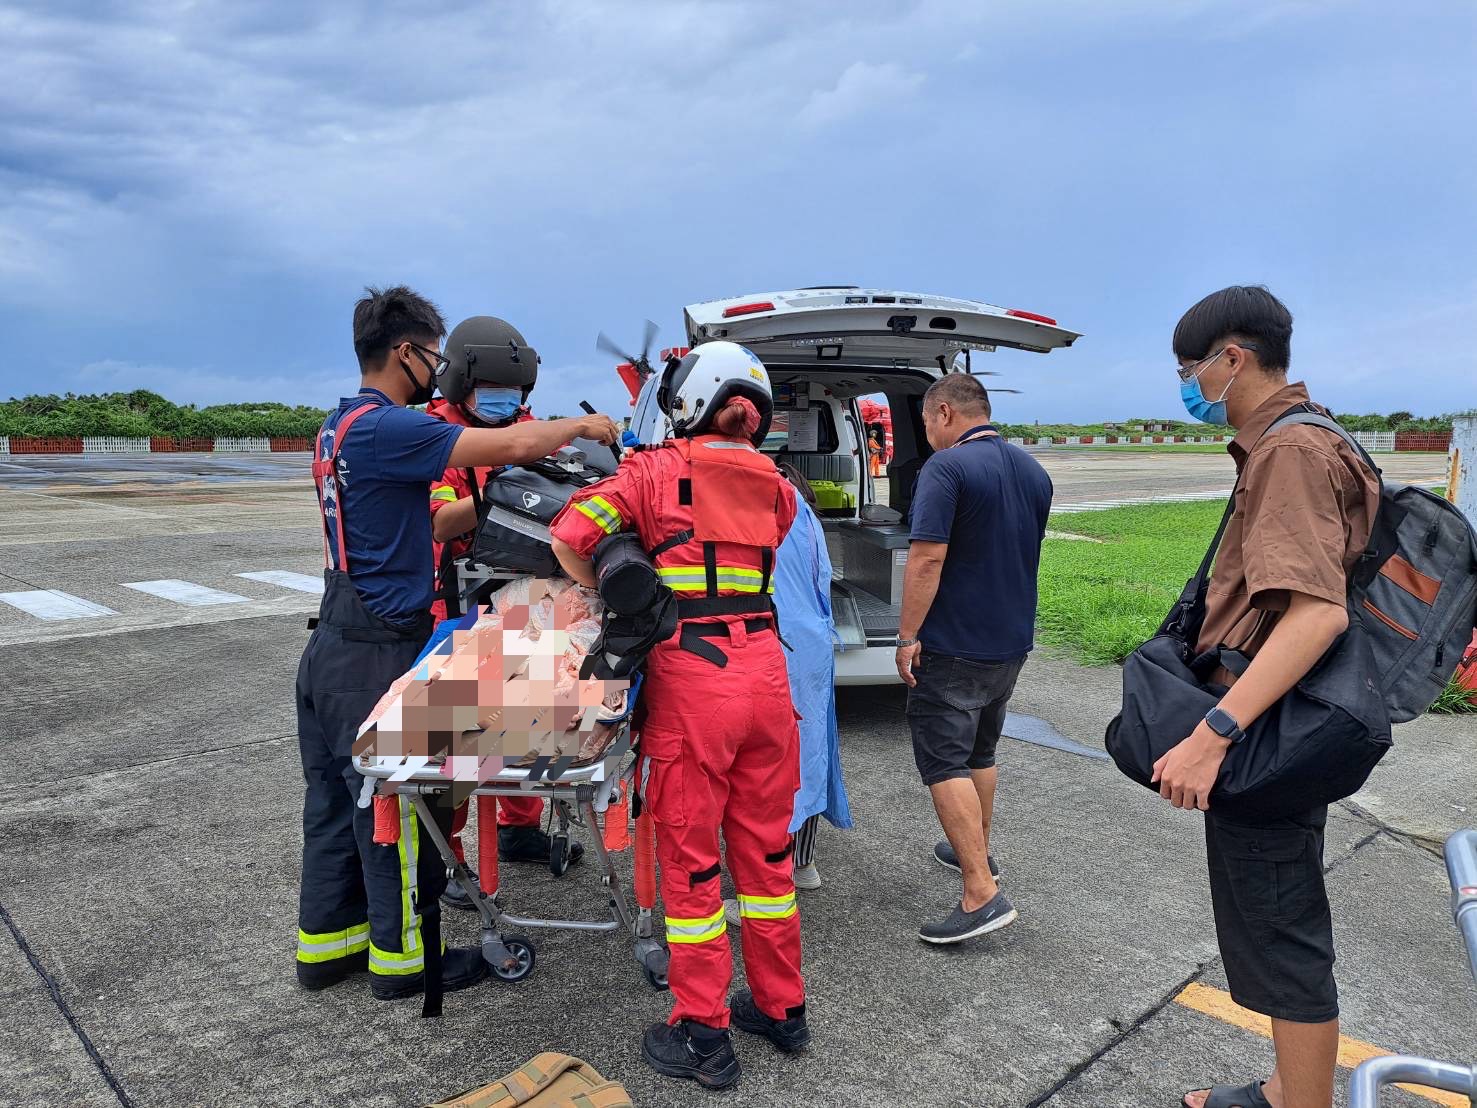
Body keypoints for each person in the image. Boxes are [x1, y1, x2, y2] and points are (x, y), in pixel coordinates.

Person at [295, 285, 618, 1003]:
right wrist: (583, 427)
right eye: (431, 356)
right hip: (376, 645)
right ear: (406, 352)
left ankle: (327, 947)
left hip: (330, 644)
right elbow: (510, 446)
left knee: (332, 808)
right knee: (400, 807)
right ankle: (408, 961)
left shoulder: (336, 426)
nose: (435, 370)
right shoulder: (390, 428)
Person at [549, 341, 808, 1091]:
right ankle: (781, 1008)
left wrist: (618, 589)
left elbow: (571, 538)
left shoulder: (649, 472)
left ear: (686, 400)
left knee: (692, 868)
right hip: (765, 671)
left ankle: (701, 1033)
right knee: (764, 858)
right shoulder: (781, 487)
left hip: (692, 678)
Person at [1158, 287, 1378, 1108]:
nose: (1186, 388)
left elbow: (1315, 612)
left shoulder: (1288, 451)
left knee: (1282, 931)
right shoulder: (1316, 434)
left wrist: (1214, 731)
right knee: (1277, 913)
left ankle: (1302, 1102)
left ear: (1231, 359)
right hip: (1291, 716)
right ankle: (1289, 1088)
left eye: (1189, 371)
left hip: (1267, 726)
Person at [424, 316, 580, 911]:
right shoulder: (435, 437)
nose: (506, 402)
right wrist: (501, 493)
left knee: (530, 712)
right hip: (461, 595)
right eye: (494, 388)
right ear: (460, 381)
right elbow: (438, 521)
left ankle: (518, 827)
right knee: (459, 730)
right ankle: (450, 854)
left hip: (530, 594)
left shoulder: (532, 431)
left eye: (515, 392)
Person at [895, 372, 1051, 945]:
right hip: (1010, 640)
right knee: (981, 748)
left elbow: (928, 559)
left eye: (928, 423)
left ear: (943, 413)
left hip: (954, 643)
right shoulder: (1032, 469)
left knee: (944, 760)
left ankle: (980, 891)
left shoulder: (947, 468)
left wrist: (907, 633)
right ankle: (975, 849)